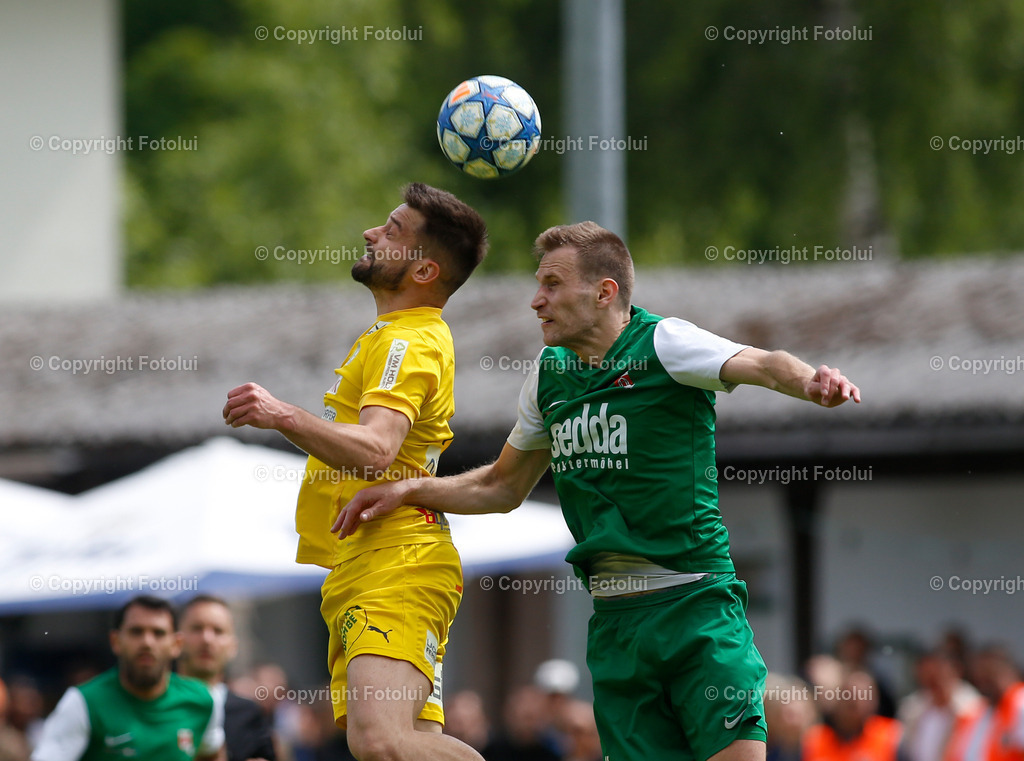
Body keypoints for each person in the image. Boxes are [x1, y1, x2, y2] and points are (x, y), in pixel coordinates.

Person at [335, 221, 861, 761]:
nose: (536, 301)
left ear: (604, 291)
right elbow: (501, 484)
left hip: (695, 609)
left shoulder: (663, 343)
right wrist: (408, 490)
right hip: (615, 628)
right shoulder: (548, 376)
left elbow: (763, 363)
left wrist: (810, 382)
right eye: (538, 285)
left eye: (553, 285)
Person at [223, 183, 488, 761]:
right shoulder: (389, 336)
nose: (373, 232)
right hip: (368, 563)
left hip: (398, 563)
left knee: (380, 743)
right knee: (401, 747)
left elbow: (375, 449)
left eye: (393, 230)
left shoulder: (409, 340)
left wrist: (281, 414)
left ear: (424, 270)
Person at [31, 595, 224, 761]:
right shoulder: (84, 702)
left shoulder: (202, 701)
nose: (147, 642)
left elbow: (211, 753)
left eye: (158, 633)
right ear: (115, 641)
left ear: (176, 644)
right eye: (136, 632)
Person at [178, 595, 277, 761]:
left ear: (233, 646)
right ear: (177, 640)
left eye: (218, 631)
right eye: (197, 628)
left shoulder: (249, 714)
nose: (206, 639)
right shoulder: (156, 703)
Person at [898, 648, 980, 761]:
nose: (934, 678)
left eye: (939, 671)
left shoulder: (972, 706)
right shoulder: (913, 706)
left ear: (956, 671)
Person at [945, 645, 1024, 761]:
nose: (983, 684)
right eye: (979, 679)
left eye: (989, 676)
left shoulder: (1019, 701)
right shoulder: (979, 711)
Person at [801, 671, 901, 761]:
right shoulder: (816, 738)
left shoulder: (892, 735)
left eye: (863, 696)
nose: (856, 701)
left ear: (875, 702)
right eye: (849, 696)